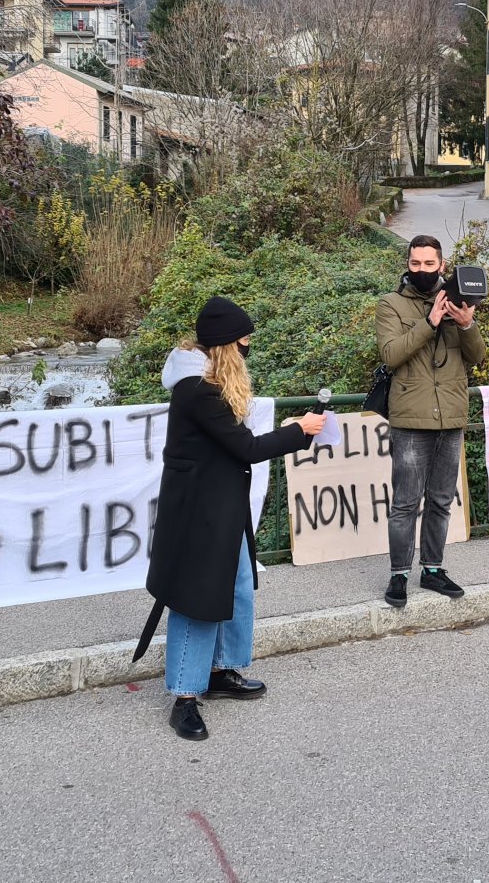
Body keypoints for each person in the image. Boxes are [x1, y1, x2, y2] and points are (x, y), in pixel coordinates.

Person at [136, 298, 326, 741]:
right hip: (198, 512)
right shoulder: (196, 389)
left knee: (238, 589)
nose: (247, 350)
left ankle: (221, 672)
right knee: (197, 599)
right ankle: (184, 697)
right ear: (226, 347)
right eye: (244, 343)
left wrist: (295, 428)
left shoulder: (210, 382)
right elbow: (245, 448)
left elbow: (235, 446)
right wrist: (299, 431)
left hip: (223, 505)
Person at [377, 235, 485, 608]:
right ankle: (399, 574)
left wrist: (467, 324)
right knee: (405, 502)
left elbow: (477, 358)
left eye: (428, 264)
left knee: (441, 500)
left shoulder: (459, 300)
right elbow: (391, 354)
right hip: (409, 417)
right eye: (414, 264)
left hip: (451, 416)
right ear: (407, 264)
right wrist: (429, 321)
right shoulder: (390, 304)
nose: (421, 270)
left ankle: (433, 569)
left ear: (442, 265)